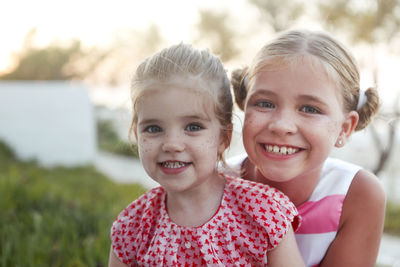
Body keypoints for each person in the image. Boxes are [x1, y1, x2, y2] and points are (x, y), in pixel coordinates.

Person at [108, 43, 304, 267]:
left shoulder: (263, 213)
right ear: (136, 134)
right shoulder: (132, 227)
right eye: (153, 129)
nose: (172, 144)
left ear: (224, 137)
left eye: (193, 127)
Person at [229, 29, 386, 267]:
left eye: (310, 109)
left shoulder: (356, 194)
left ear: (345, 128)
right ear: (244, 106)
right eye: (264, 103)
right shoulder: (214, 184)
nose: (282, 126)